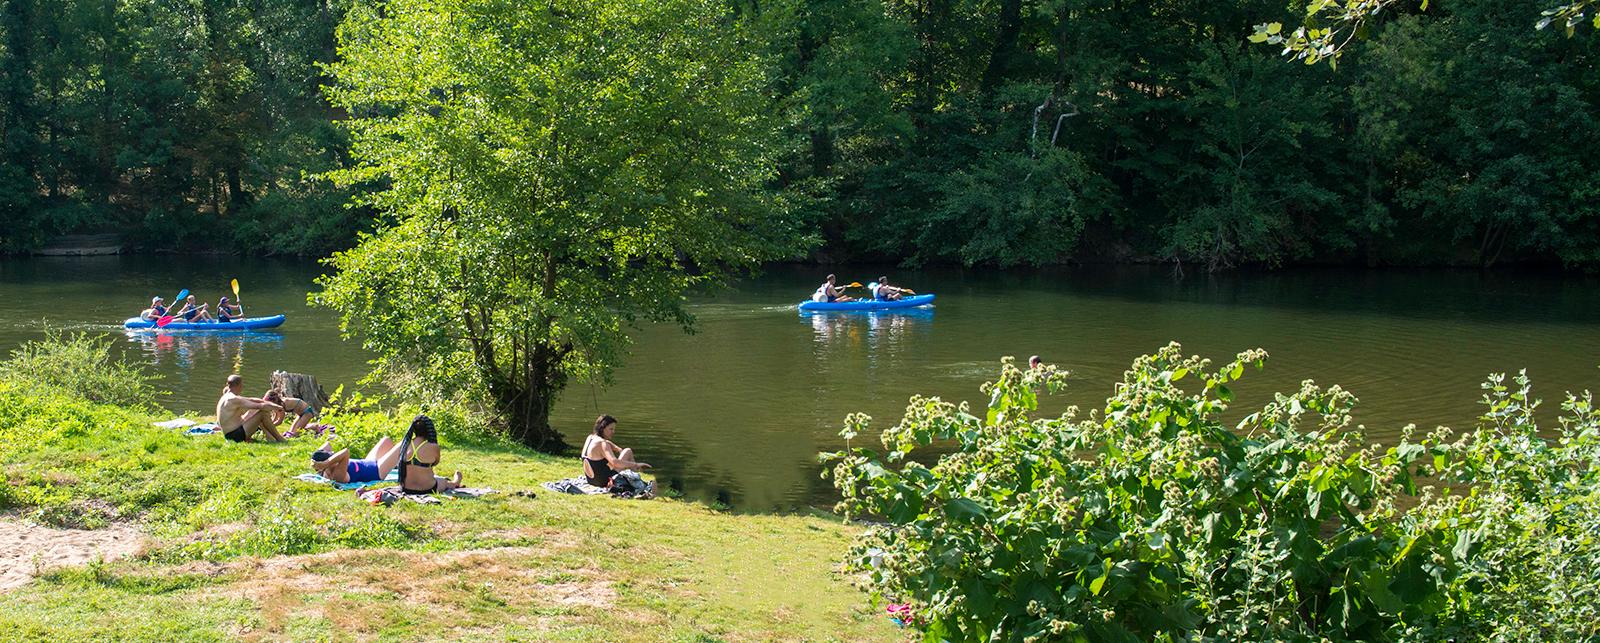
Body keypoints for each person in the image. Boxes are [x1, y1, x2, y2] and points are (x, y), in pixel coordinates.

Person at [397, 415, 465, 495]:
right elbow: (435, 462)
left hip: (406, 488)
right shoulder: (433, 447)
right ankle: (455, 482)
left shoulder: (405, 444)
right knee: (444, 482)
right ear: (429, 430)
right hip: (428, 488)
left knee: (436, 478)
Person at [582, 415, 651, 487]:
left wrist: (617, 448)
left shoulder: (590, 438)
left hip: (591, 480)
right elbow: (615, 462)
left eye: (614, 429)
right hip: (605, 481)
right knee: (628, 451)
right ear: (602, 428)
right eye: (611, 429)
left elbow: (607, 443)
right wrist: (636, 464)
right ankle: (636, 479)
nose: (613, 432)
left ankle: (635, 476)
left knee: (623, 453)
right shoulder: (602, 443)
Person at [215, 374, 285, 442]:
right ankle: (279, 439)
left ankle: (270, 437)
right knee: (262, 414)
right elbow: (260, 406)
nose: (242, 387)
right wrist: (278, 408)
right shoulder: (233, 399)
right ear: (238, 385)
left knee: (256, 411)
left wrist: (274, 405)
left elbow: (252, 399)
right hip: (234, 436)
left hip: (230, 434)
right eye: (242, 385)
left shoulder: (227, 396)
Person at [309, 437, 403, 484]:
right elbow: (346, 452)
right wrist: (326, 463)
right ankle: (397, 464)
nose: (333, 454)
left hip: (368, 461)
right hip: (377, 471)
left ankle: (395, 464)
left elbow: (327, 444)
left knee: (386, 440)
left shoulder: (330, 466)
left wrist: (314, 461)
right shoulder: (336, 475)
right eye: (331, 455)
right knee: (402, 444)